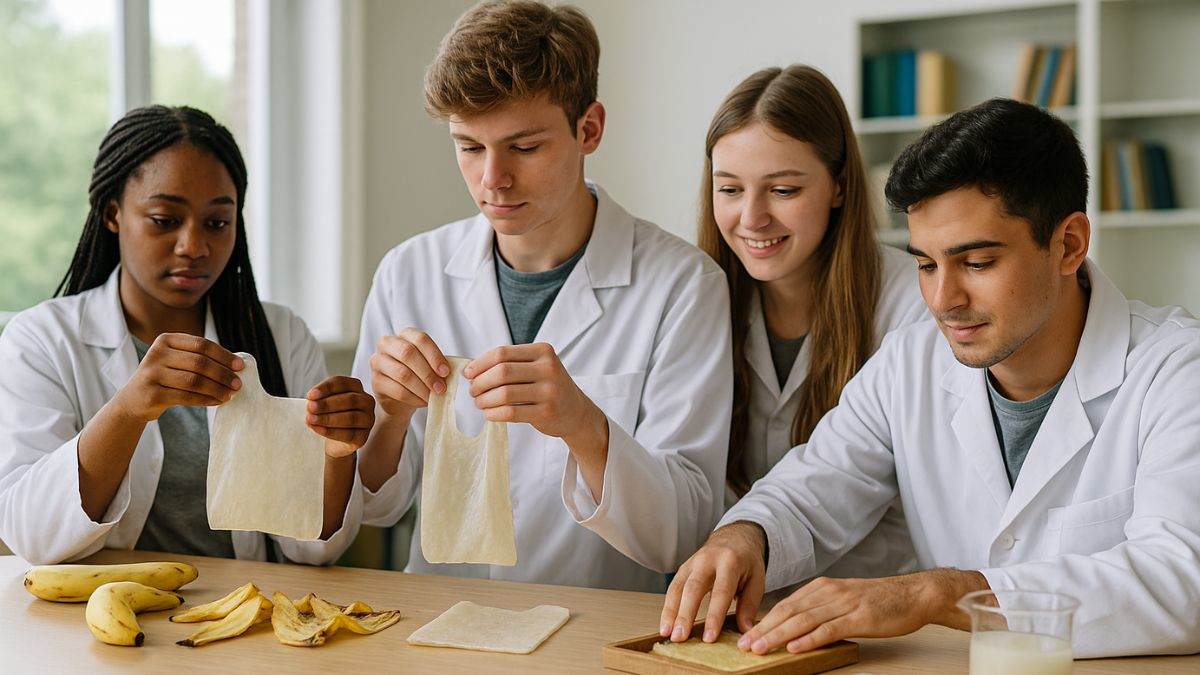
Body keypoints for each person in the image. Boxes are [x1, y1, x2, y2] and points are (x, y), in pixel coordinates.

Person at [659, 98, 1200, 658]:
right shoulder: (909, 362)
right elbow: (816, 486)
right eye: (925, 264)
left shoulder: (1177, 371)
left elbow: (1183, 582)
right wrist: (746, 535)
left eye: (977, 263)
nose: (943, 301)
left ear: (1068, 245)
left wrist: (942, 594)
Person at [352, 0, 732, 592]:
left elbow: (681, 535)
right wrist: (392, 419)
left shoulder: (684, 286)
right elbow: (374, 508)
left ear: (590, 129)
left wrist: (583, 423)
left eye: (524, 148)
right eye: (469, 147)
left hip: (597, 631)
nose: (492, 179)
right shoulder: (409, 272)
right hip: (440, 621)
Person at [0, 105, 372, 565]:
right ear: (113, 213)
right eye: (164, 219)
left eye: (217, 223)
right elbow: (31, 535)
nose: (194, 247)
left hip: (241, 614)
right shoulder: (41, 340)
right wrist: (129, 409)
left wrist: (337, 454)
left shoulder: (281, 335)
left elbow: (317, 550)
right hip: (95, 621)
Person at [699, 64, 926, 579]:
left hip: (869, 603)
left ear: (840, 186)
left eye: (782, 190)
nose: (752, 218)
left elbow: (866, 486)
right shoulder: (693, 299)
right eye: (730, 189)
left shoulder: (912, 304)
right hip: (728, 605)